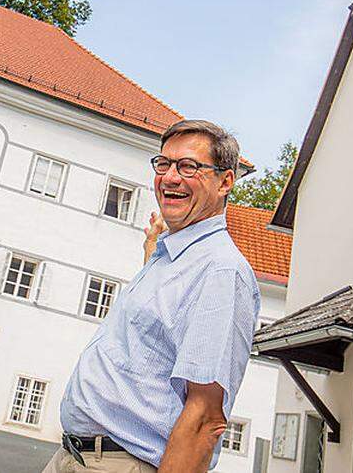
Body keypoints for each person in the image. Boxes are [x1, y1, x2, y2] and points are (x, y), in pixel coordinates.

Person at [50, 120, 261, 473]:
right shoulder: (170, 256)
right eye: (163, 164)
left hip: (122, 464)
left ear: (225, 182)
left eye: (189, 166)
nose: (171, 177)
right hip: (75, 457)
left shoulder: (222, 272)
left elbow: (205, 418)